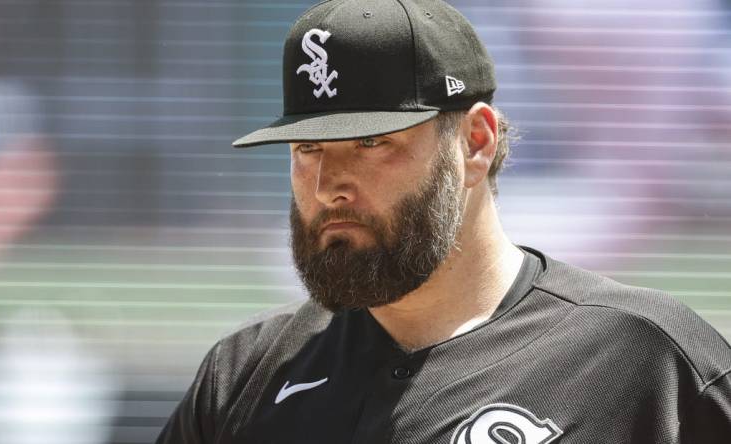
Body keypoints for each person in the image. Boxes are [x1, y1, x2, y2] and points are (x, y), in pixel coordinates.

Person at [157, 0, 731, 442]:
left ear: (475, 144)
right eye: (308, 147)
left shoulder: (644, 355)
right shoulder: (245, 372)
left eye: (371, 142)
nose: (330, 184)